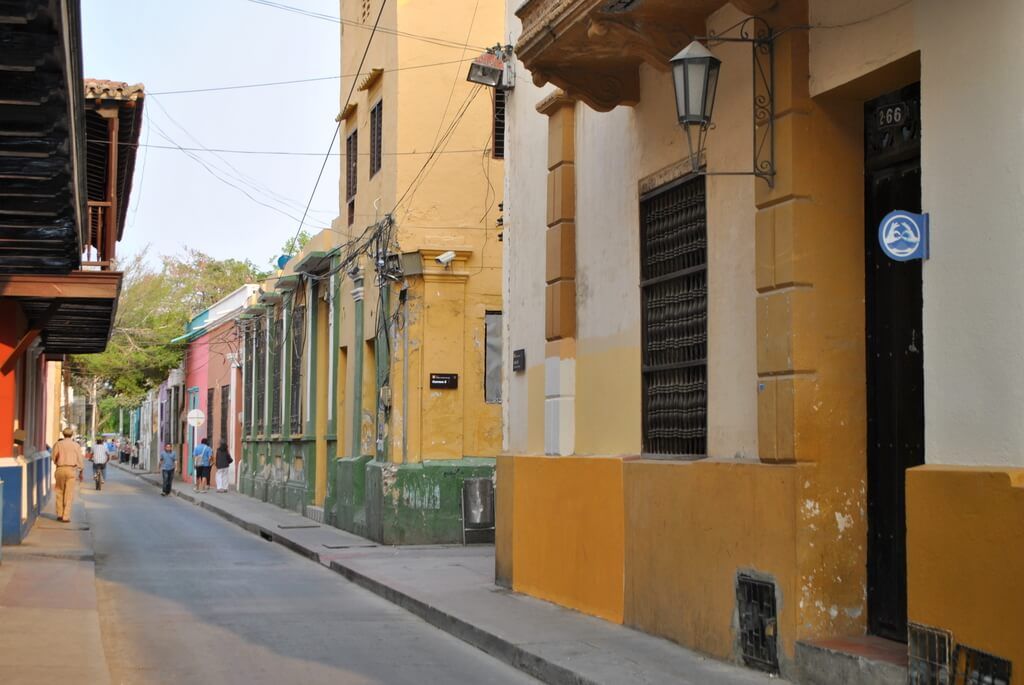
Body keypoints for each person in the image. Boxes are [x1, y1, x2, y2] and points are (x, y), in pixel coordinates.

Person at [51, 428, 84, 522]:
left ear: (63, 434)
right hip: (71, 470)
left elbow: (53, 457)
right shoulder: (76, 445)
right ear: (72, 435)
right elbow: (80, 459)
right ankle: (66, 516)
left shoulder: (58, 444)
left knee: (59, 491)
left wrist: (58, 462)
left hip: (60, 469)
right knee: (69, 494)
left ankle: (59, 514)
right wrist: (81, 471)